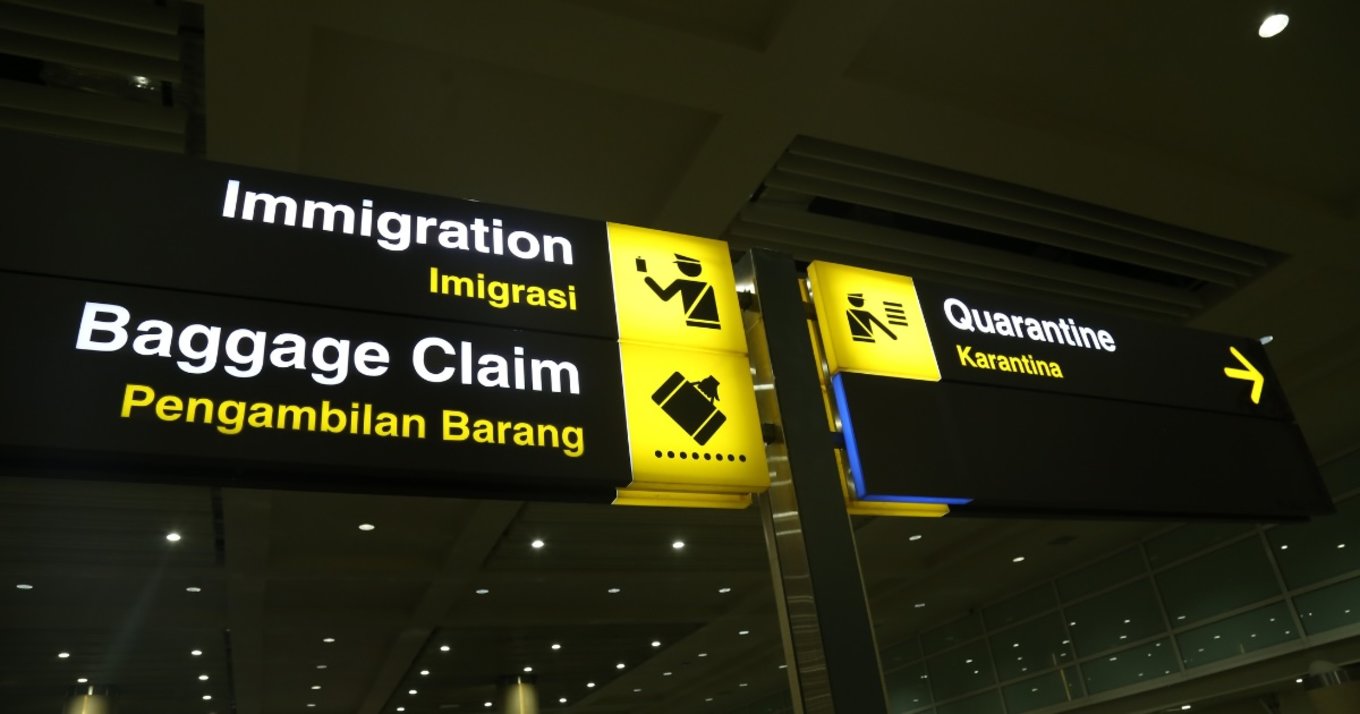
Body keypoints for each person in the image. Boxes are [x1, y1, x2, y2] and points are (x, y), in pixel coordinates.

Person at [642, 254, 720, 329]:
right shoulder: (708, 286)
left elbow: (664, 296)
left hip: (693, 323)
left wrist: (648, 279)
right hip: (714, 324)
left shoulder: (681, 283)